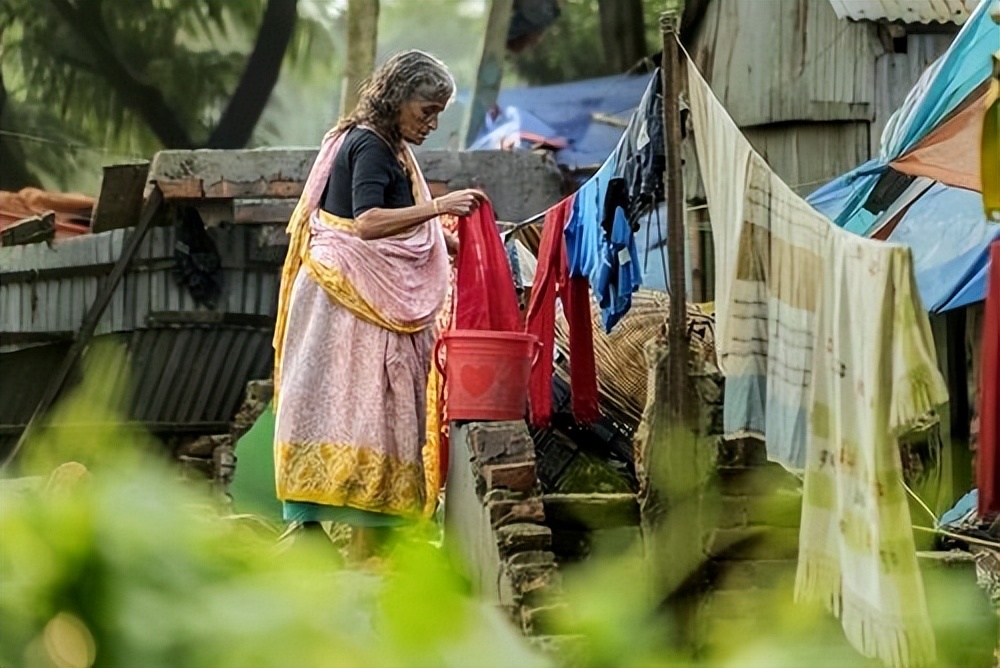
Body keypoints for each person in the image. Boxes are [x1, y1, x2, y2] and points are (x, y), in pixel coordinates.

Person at [272, 50, 484, 560]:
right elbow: (366, 222)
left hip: (353, 294)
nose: (432, 123)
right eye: (427, 110)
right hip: (347, 299)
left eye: (438, 114)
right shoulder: (369, 144)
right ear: (398, 98)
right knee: (359, 407)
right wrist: (440, 208)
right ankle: (350, 543)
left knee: (368, 408)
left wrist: (447, 243)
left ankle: (362, 541)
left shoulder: (384, 144)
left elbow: (393, 221)